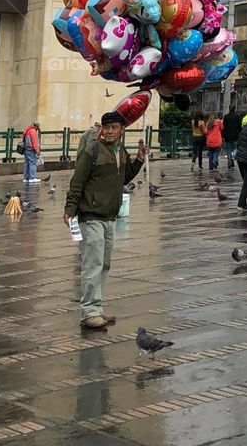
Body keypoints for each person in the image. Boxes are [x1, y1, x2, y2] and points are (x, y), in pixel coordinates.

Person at [63, 111, 146, 329]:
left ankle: (97, 308)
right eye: (106, 128)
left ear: (121, 130)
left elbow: (123, 177)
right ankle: (89, 312)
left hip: (110, 217)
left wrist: (139, 159)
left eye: (114, 128)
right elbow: (77, 181)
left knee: (104, 264)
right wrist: (69, 209)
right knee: (93, 264)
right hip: (91, 216)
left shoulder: (121, 151)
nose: (109, 131)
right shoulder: (92, 151)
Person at [222, 104, 242, 169]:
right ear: (234, 109)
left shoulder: (226, 117)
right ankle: (233, 157)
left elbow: (224, 127)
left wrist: (223, 136)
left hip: (228, 136)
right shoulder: (237, 116)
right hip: (236, 136)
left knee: (229, 150)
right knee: (236, 148)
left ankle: (229, 161)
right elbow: (239, 126)